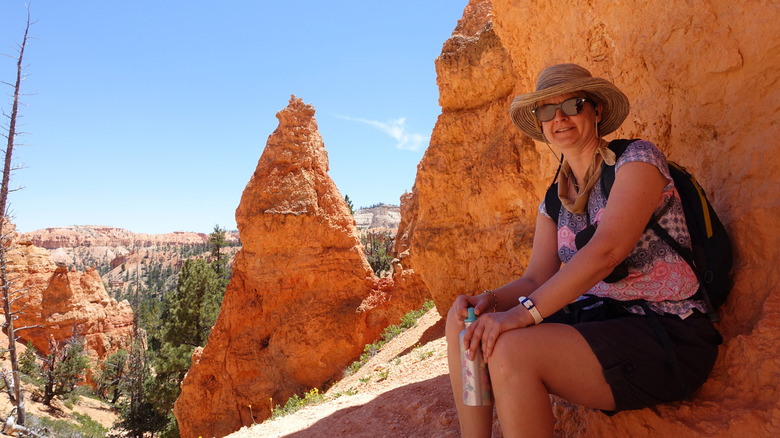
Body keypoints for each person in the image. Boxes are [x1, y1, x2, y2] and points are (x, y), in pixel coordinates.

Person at [446, 63, 722, 437]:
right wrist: (488, 302)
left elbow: (606, 251)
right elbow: (535, 278)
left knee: (511, 351)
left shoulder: (637, 161)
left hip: (668, 331)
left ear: (597, 110)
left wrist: (522, 316)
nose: (559, 117)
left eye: (573, 104)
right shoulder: (555, 200)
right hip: (601, 319)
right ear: (541, 125)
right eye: (546, 110)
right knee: (465, 327)